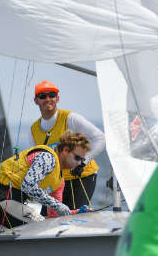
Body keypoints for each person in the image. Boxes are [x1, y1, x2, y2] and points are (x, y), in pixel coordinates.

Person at [0, 131, 92, 228]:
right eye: (77, 158)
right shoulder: (48, 158)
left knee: (46, 223)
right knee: (40, 224)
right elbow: (28, 186)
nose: (79, 163)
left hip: (15, 202)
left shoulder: (59, 181)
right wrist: (58, 205)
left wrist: (75, 213)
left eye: (82, 160)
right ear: (65, 150)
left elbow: (53, 215)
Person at [29, 80, 105, 210]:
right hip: (56, 182)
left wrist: (83, 162)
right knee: (48, 219)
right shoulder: (33, 129)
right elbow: (35, 160)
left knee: (74, 214)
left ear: (57, 98)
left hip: (81, 177)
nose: (48, 99)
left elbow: (100, 138)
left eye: (52, 95)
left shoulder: (71, 118)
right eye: (42, 96)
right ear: (36, 101)